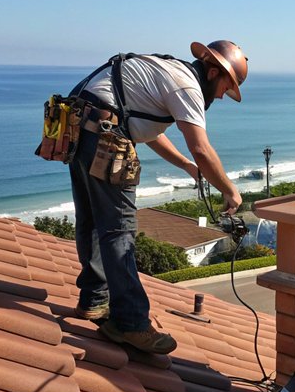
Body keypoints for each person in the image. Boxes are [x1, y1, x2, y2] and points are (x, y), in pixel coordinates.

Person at [68, 40, 248, 354]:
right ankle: (132, 323)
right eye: (225, 86)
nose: (221, 95)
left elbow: (150, 131)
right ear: (213, 70)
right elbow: (202, 148)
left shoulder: (169, 71)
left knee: (93, 219)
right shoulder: (188, 86)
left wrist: (187, 167)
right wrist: (230, 189)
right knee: (119, 231)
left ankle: (94, 301)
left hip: (80, 125)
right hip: (105, 133)